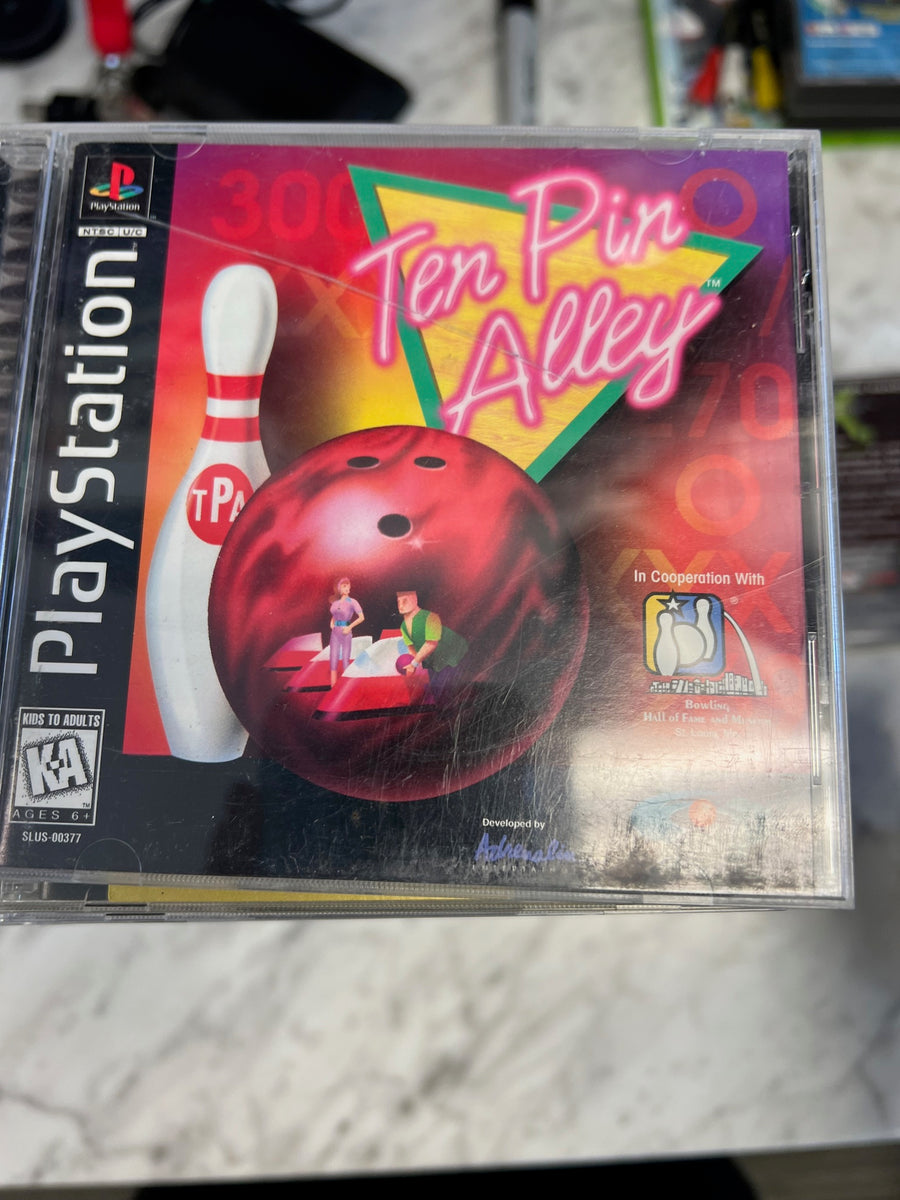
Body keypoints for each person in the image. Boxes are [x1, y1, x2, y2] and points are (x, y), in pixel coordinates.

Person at [395, 588, 468, 682]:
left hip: (455, 657)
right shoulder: (403, 626)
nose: (400, 606)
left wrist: (414, 663)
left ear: (415, 600)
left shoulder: (431, 617)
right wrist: (411, 664)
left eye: (405, 601)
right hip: (434, 662)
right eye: (398, 602)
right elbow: (411, 648)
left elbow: (431, 643)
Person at [329, 577, 364, 687]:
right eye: (344, 586)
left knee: (345, 659)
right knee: (333, 659)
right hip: (335, 633)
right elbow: (334, 615)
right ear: (339, 588)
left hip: (346, 632)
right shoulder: (336, 603)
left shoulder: (352, 602)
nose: (347, 588)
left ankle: (345, 687)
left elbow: (362, 617)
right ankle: (333, 687)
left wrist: (349, 627)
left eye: (348, 585)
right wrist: (332, 623)